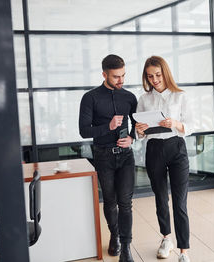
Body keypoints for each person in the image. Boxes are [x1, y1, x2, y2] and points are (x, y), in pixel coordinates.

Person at [135, 56, 193, 262]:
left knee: (179, 202)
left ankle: (184, 250)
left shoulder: (180, 96)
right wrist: (139, 130)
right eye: (150, 76)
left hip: (176, 148)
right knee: (160, 198)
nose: (155, 80)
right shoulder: (143, 99)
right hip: (154, 149)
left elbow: (191, 125)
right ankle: (166, 238)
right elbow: (141, 134)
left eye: (158, 75)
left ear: (165, 73)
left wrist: (175, 123)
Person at [79, 54, 136, 262]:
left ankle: (127, 248)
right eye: (115, 77)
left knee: (126, 202)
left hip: (126, 157)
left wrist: (132, 137)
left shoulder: (129, 97)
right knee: (110, 201)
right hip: (103, 157)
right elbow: (84, 131)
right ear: (104, 74)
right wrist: (108, 127)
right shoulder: (90, 98)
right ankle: (114, 234)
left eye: (123, 75)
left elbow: (138, 126)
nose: (121, 81)